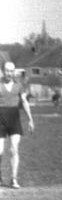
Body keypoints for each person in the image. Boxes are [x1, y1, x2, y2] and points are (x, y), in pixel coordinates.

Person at [0, 56, 34, 188]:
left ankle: (13, 179)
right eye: (6, 70)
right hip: (0, 119)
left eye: (11, 71)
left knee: (14, 149)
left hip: (14, 119)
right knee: (0, 151)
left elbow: (24, 102)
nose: (9, 73)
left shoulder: (19, 86)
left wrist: (30, 119)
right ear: (3, 71)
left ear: (14, 72)